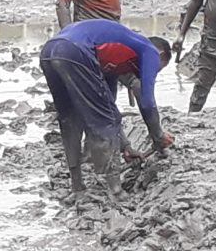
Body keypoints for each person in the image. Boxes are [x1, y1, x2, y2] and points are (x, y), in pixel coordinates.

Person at [38, 18, 173, 200]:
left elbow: (109, 107)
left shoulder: (111, 58)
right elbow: (146, 101)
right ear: (161, 55)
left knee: (69, 120)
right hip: (75, 50)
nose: (152, 73)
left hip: (50, 50)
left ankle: (77, 187)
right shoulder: (149, 50)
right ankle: (116, 191)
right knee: (102, 122)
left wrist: (125, 146)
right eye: (158, 69)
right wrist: (158, 136)